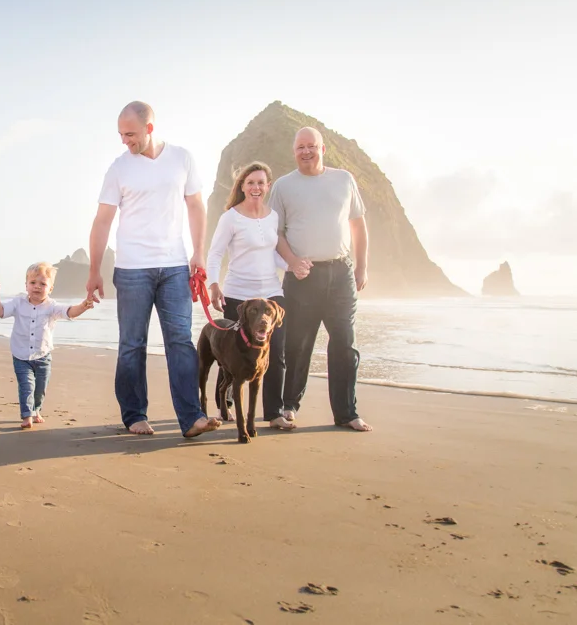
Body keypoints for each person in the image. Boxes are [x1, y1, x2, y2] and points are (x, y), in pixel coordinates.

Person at [87, 101, 221, 438]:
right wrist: (94, 270)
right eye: (120, 134)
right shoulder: (119, 168)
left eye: (130, 133)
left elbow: (196, 206)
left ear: (150, 128)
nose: (124, 141)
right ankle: (134, 415)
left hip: (175, 265)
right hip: (132, 269)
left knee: (181, 342)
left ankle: (191, 417)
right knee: (132, 344)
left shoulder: (181, 158)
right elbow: (102, 220)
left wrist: (198, 253)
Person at [268, 126, 373, 431]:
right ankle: (289, 406)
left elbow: (358, 226)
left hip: (341, 273)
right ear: (294, 151)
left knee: (344, 344)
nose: (306, 152)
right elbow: (277, 233)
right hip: (302, 277)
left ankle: (347, 413)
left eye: (311, 146)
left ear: (322, 149)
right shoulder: (284, 186)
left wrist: (361, 267)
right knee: (297, 345)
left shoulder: (343, 179)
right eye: (300, 147)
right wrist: (291, 261)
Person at [206, 161, 294, 430]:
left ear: (268, 186)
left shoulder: (273, 216)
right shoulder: (230, 217)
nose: (256, 187)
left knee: (275, 352)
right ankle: (226, 405)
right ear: (242, 186)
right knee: (231, 357)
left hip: (270, 293)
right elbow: (216, 253)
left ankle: (274, 412)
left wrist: (294, 266)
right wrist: (213, 285)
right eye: (250, 183)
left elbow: (273, 253)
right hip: (238, 296)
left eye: (260, 183)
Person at [0, 262, 94, 429]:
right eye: (33, 283)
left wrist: (83, 306)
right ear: (26, 285)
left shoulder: (52, 306)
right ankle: (27, 415)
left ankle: (36, 409)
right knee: (27, 386)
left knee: (40, 389)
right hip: (21, 355)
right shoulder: (18, 302)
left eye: (42, 284)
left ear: (50, 288)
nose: (37, 287)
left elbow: (69, 312)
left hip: (43, 355)